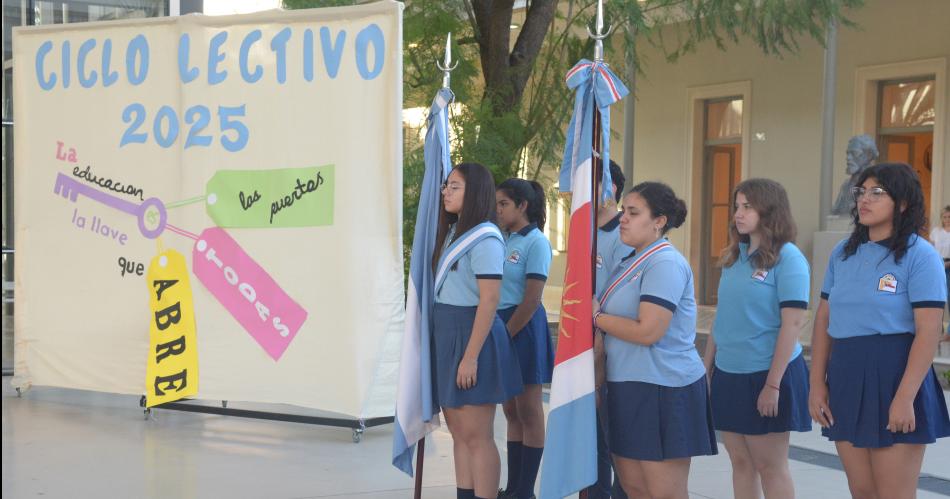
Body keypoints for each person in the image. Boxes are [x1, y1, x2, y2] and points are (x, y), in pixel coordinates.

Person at [809, 163, 950, 499]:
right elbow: (823, 320)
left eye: (877, 192)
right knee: (862, 491)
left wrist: (905, 398)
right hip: (846, 375)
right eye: (861, 192)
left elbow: (928, 330)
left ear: (902, 203)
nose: (864, 200)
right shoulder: (842, 254)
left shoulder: (921, 256)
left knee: (894, 494)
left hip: (896, 376)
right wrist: (816, 384)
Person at [593, 181, 717, 499]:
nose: (623, 218)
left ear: (659, 220)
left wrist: (596, 318)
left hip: (663, 387)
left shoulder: (664, 262)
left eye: (634, 213)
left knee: (663, 492)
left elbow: (649, 331)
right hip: (627, 384)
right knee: (634, 487)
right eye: (624, 211)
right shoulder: (630, 261)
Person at [703, 178, 812, 499]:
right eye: (737, 206)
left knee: (770, 466)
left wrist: (773, 385)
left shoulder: (789, 258)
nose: (738, 213)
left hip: (767, 374)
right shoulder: (734, 256)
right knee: (740, 463)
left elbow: (792, 326)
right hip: (729, 373)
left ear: (769, 210)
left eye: (747, 206)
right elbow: (722, 318)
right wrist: (706, 369)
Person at [431, 163, 523, 499]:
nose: (445, 192)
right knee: (458, 433)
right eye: (446, 185)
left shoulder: (485, 237)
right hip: (448, 332)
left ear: (475, 193)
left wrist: (470, 357)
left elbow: (490, 299)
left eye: (454, 186)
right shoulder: (455, 231)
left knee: (477, 435)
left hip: (472, 336)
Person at [494, 178, 554, 499]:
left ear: (523, 206)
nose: (498, 210)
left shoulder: (536, 243)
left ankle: (525, 491)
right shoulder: (502, 238)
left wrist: (505, 335)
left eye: (503, 204)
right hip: (502, 325)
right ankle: (514, 487)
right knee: (510, 411)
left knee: (529, 410)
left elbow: (532, 299)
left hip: (524, 326)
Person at [592, 159, 631, 499]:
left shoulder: (622, 233)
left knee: (615, 438)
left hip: (612, 346)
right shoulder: (583, 230)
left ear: (611, 189)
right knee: (591, 441)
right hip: (584, 345)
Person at [929, 205, 950, 336]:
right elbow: (930, 250)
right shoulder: (936, 231)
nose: (947, 219)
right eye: (945, 217)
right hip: (938, 265)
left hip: (949, 266)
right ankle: (938, 329)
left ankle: (949, 332)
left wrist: (947, 264)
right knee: (938, 297)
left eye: (949, 217)